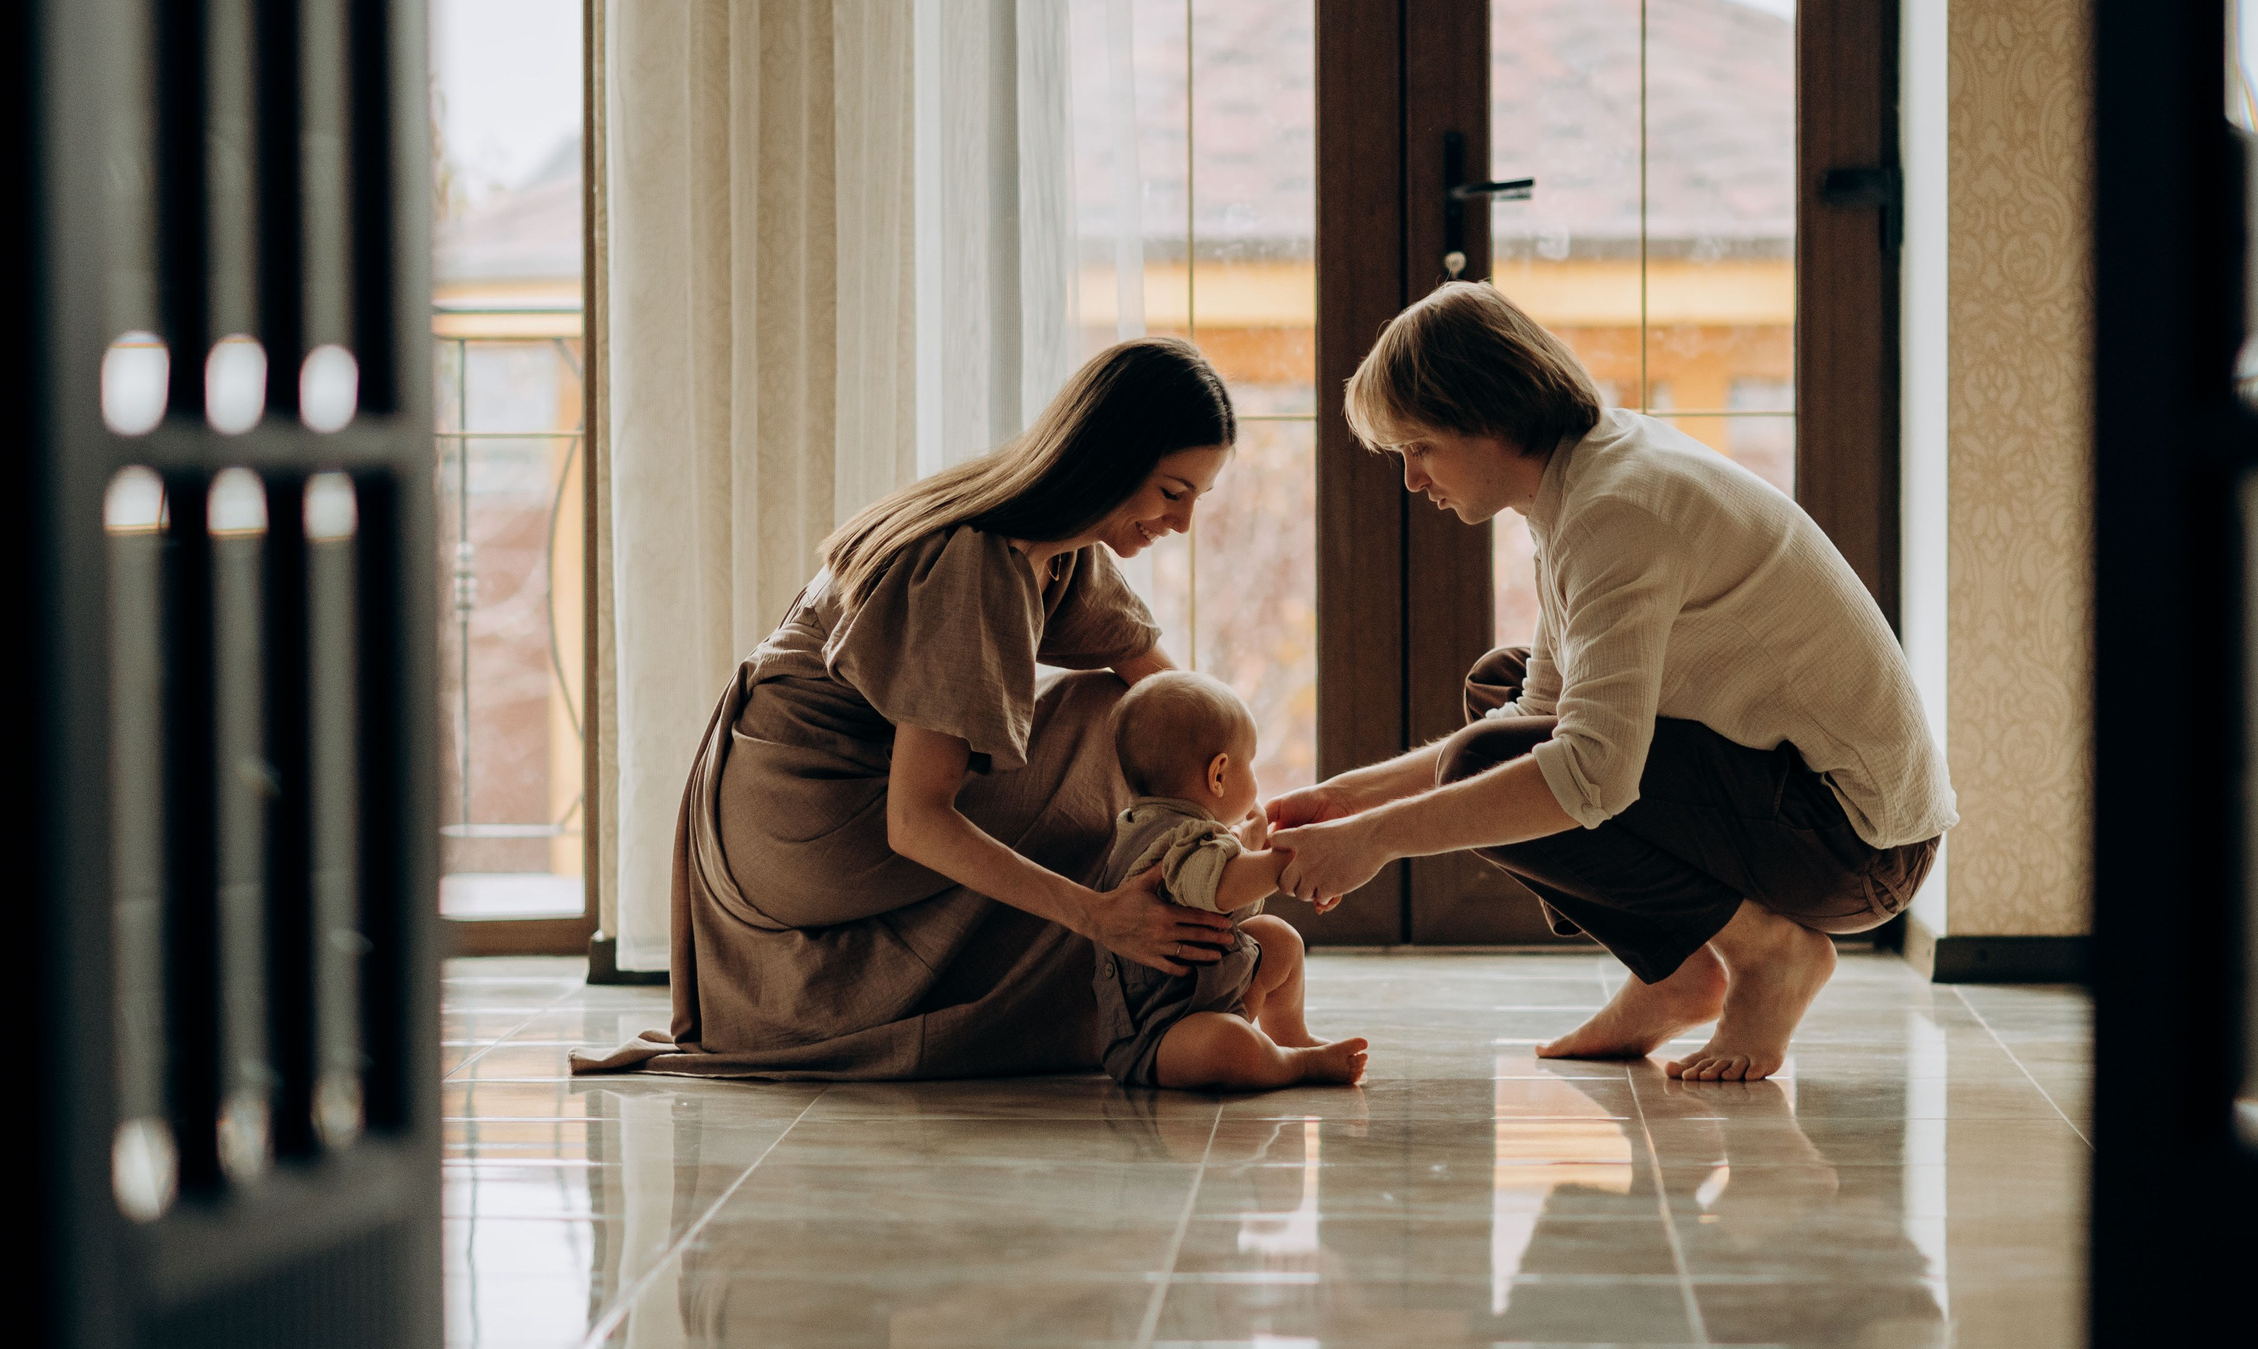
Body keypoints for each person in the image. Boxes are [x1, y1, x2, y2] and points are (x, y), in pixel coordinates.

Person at [1267, 283, 1956, 1082]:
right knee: (1500, 696)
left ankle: (1770, 956)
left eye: (1419, 447)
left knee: (1501, 763)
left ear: (1489, 416)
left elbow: (1591, 773)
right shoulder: (1580, 481)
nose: (1413, 479)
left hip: (1859, 845)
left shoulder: (1617, 509)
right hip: (1807, 807)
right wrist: (1351, 798)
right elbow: (1541, 712)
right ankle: (1677, 974)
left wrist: (1374, 841)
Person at [573, 339, 1244, 1080]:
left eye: (1196, 500)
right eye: (1171, 492)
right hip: (806, 825)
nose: (1180, 524)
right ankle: (1159, 987)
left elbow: (1183, 707)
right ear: (1108, 458)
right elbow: (916, 821)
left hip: (784, 818)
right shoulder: (978, 563)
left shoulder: (1057, 541)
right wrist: (1097, 915)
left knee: (1142, 712)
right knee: (1106, 719)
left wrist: (1256, 828)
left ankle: (1168, 953)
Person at [1097, 671, 1369, 1090]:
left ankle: (1290, 1037)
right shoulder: (1172, 842)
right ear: (1218, 775)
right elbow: (1222, 884)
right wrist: (1292, 858)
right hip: (1162, 1034)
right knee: (1230, 1046)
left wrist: (1253, 843)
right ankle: (1297, 1064)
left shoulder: (1161, 826)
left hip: (1210, 990)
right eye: (1251, 763)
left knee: (1279, 939)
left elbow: (1223, 894)